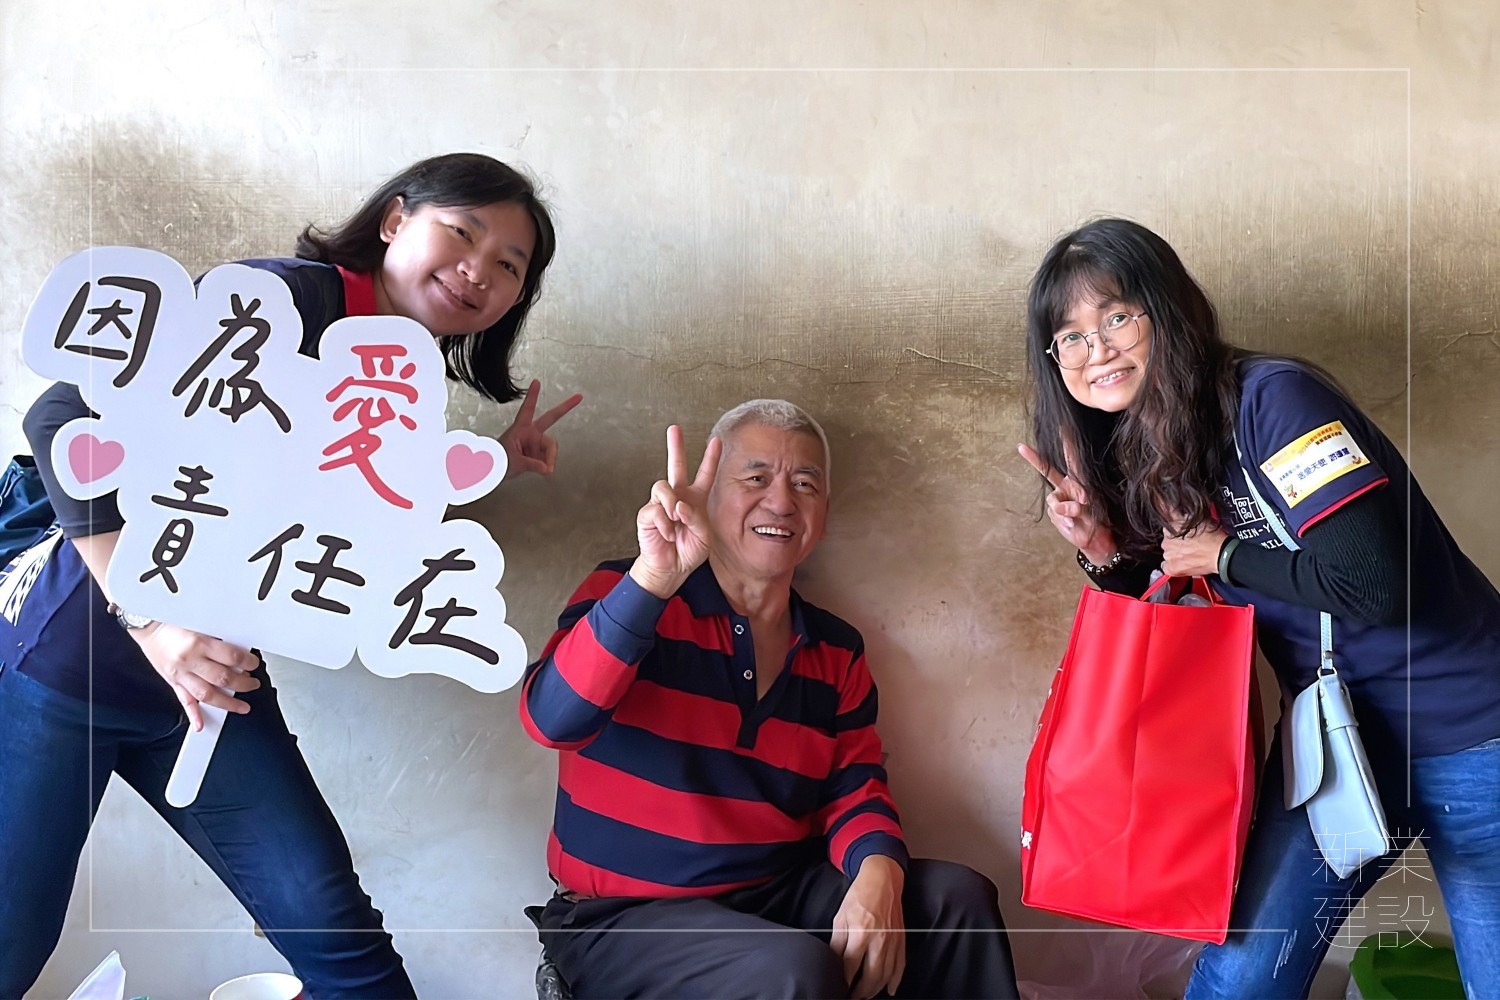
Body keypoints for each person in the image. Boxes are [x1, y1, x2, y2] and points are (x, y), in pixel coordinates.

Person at [0, 152, 582, 997]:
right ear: (395, 220)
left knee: (340, 942)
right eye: (462, 232)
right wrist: (152, 624)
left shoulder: (393, 375)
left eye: (508, 266)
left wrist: (494, 462)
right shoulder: (284, 303)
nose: (477, 271)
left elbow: (342, 516)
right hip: (71, 663)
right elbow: (61, 413)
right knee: (11, 948)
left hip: (212, 687)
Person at [1017, 218, 1500, 999]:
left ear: (1166, 312)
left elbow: (1374, 586)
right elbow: (1178, 615)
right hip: (1335, 740)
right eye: (1069, 336)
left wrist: (1224, 555)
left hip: (1472, 727)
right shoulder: (1152, 448)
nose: (1095, 348)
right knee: (1240, 980)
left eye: (1116, 316)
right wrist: (1105, 553)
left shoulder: (1273, 398)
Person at [521, 399, 1019, 1000]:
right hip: (624, 915)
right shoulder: (627, 591)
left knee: (957, 903)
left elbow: (853, 786)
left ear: (823, 516)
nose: (782, 502)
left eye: (805, 484)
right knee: (792, 971)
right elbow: (551, 721)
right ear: (708, 497)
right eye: (756, 479)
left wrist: (879, 871)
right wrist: (653, 581)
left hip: (774, 893)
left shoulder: (835, 650)